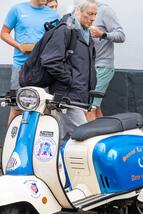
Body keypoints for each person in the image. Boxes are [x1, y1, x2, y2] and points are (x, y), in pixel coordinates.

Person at [40, 0, 97, 139]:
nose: (93, 18)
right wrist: (70, 80)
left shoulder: (84, 32)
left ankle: (53, 160)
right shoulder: (65, 30)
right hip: (67, 96)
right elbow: (50, 60)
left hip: (76, 95)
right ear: (78, 11)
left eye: (95, 14)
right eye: (90, 14)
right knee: (84, 137)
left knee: (57, 137)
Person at [0, 0, 60, 125]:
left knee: (42, 109)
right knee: (16, 108)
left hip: (43, 68)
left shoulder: (54, 15)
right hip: (20, 66)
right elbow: (4, 33)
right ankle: (12, 142)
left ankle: (36, 143)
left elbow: (57, 40)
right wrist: (19, 46)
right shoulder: (17, 9)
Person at [86, 1, 126, 122]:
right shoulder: (78, 9)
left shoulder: (104, 10)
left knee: (89, 107)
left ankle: (90, 139)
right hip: (87, 67)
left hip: (102, 66)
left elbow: (121, 35)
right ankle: (104, 136)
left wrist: (102, 34)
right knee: (95, 107)